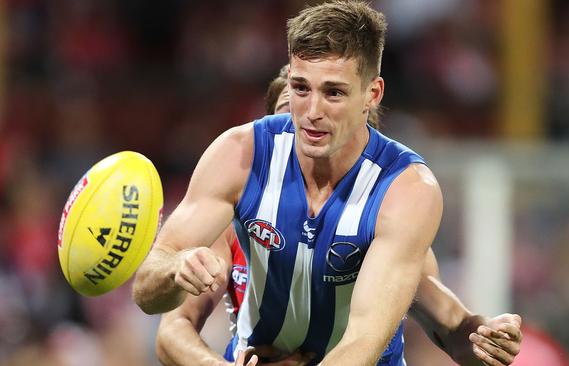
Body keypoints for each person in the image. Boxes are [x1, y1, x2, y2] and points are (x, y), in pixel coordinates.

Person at [134, 2, 521, 365]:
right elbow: (152, 299)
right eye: (300, 89)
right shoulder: (240, 157)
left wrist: (478, 338)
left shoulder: (404, 191)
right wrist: (175, 268)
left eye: (333, 93)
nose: (311, 113)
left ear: (372, 94)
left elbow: (365, 344)